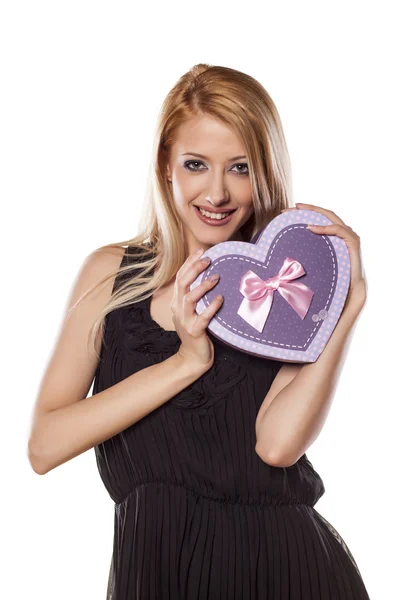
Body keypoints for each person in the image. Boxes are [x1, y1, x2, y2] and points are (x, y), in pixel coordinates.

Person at [27, 63, 370, 599]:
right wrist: (187, 360)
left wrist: (344, 308)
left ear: (264, 171)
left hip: (288, 571)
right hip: (161, 569)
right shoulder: (111, 276)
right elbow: (45, 447)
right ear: (167, 166)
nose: (217, 192)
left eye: (239, 167)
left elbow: (278, 447)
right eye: (196, 164)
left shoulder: (284, 290)